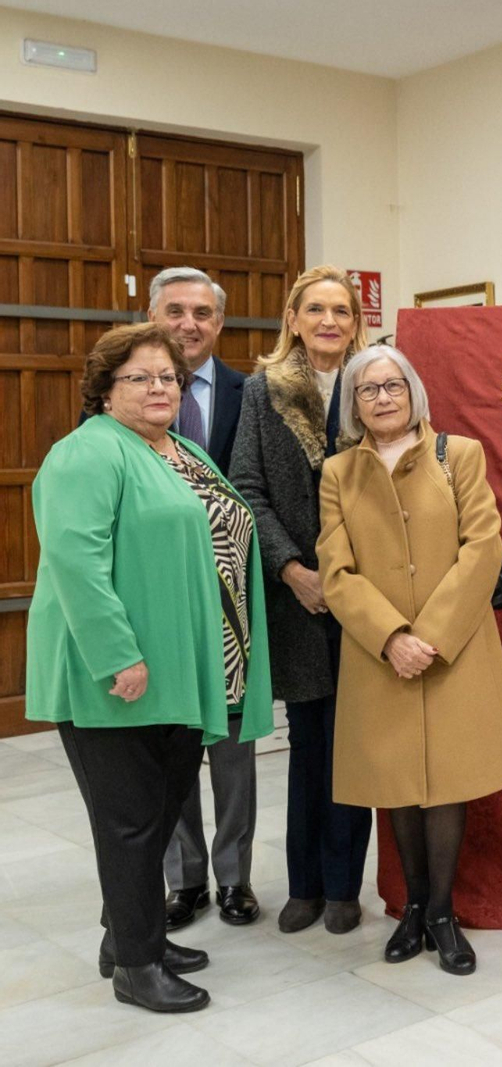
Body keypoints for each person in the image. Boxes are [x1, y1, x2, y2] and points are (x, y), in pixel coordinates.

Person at [26, 322, 274, 1012]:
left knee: (157, 812)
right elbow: (76, 563)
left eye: (168, 375)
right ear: (105, 391)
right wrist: (118, 656)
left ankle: (129, 935)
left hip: (179, 670)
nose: (160, 386)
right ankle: (137, 966)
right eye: (140, 377)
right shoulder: (87, 453)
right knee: (132, 819)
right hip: (120, 674)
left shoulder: (180, 449)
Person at [317, 345, 502, 975]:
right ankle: (409, 909)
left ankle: (440, 911)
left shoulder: (458, 455)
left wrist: (428, 636)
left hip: (452, 650)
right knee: (398, 785)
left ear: (413, 392)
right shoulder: (338, 473)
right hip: (380, 656)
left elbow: (483, 547)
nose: (382, 397)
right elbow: (336, 569)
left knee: (448, 784)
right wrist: (390, 638)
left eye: (393, 385)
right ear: (353, 404)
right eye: (367, 389)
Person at [230, 265, 372, 936]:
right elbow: (245, 488)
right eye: (314, 309)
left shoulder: (374, 383)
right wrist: (290, 567)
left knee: (357, 740)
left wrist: (345, 577)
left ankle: (345, 885)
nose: (328, 322)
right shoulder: (262, 391)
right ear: (292, 318)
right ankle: (305, 884)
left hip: (363, 593)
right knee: (308, 739)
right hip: (295, 597)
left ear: (356, 322)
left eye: (340, 310)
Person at [140, 267, 259, 932]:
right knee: (174, 744)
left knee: (235, 751)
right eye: (176, 310)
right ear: (153, 315)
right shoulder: (119, 396)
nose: (189, 323)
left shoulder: (252, 393)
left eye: (203, 313)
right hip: (161, 605)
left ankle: (235, 876)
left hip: (234, 604)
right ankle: (184, 880)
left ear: (220, 323)